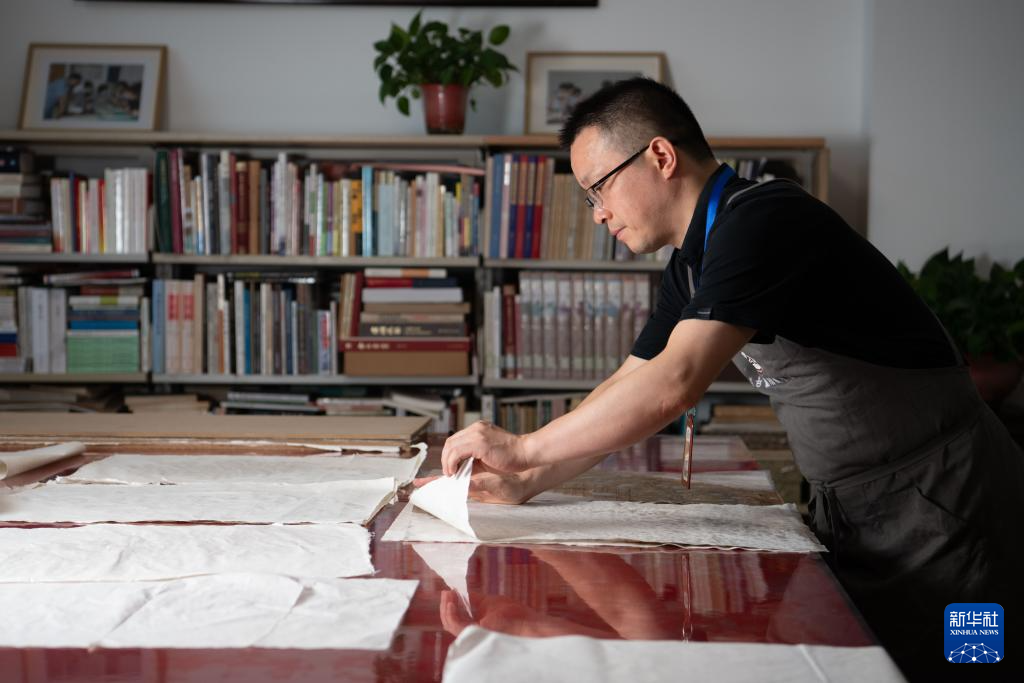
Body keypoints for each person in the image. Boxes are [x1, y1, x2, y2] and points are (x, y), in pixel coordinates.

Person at [427, 77, 1023, 679]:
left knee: (967, 667)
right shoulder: (692, 262)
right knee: (851, 670)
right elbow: (632, 383)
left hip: (949, 503)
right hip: (850, 507)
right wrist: (527, 481)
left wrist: (524, 447)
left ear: (661, 156)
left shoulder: (765, 219)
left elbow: (674, 383)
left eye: (599, 188)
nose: (599, 212)